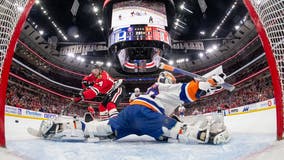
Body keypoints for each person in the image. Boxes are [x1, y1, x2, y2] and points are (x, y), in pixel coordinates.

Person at [39, 73, 230, 145]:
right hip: (147, 114)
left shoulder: (152, 88)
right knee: (175, 130)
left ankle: (61, 128)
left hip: (131, 114)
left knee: (100, 130)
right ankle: (207, 135)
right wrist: (210, 83)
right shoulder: (168, 87)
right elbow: (189, 90)